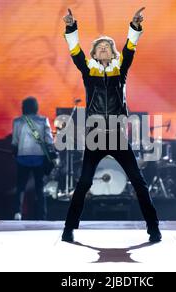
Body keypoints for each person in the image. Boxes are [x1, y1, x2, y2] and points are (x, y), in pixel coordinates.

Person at [61, 7, 161, 242]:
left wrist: (135, 25)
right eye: (99, 47)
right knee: (84, 183)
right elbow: (75, 52)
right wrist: (70, 27)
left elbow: (130, 48)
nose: (103, 48)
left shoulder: (120, 69)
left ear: (112, 53)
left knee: (138, 181)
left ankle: (154, 227)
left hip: (116, 133)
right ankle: (69, 228)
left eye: (107, 46)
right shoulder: (88, 71)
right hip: (95, 134)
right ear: (94, 54)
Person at [11, 97, 53, 220]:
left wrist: (15, 153)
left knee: (20, 187)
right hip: (39, 158)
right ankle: (42, 215)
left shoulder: (17, 122)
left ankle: (17, 213)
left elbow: (14, 142)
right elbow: (49, 140)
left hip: (22, 158)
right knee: (40, 188)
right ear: (36, 107)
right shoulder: (43, 120)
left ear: (23, 107)